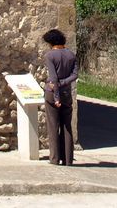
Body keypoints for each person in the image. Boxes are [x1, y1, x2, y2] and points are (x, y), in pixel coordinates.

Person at [42, 28, 78, 165]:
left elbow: (53, 79)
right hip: (67, 93)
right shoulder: (71, 55)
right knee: (67, 126)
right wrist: (64, 83)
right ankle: (68, 159)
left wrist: (56, 97)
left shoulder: (50, 56)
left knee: (53, 126)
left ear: (51, 43)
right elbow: (75, 75)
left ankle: (55, 158)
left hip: (53, 95)